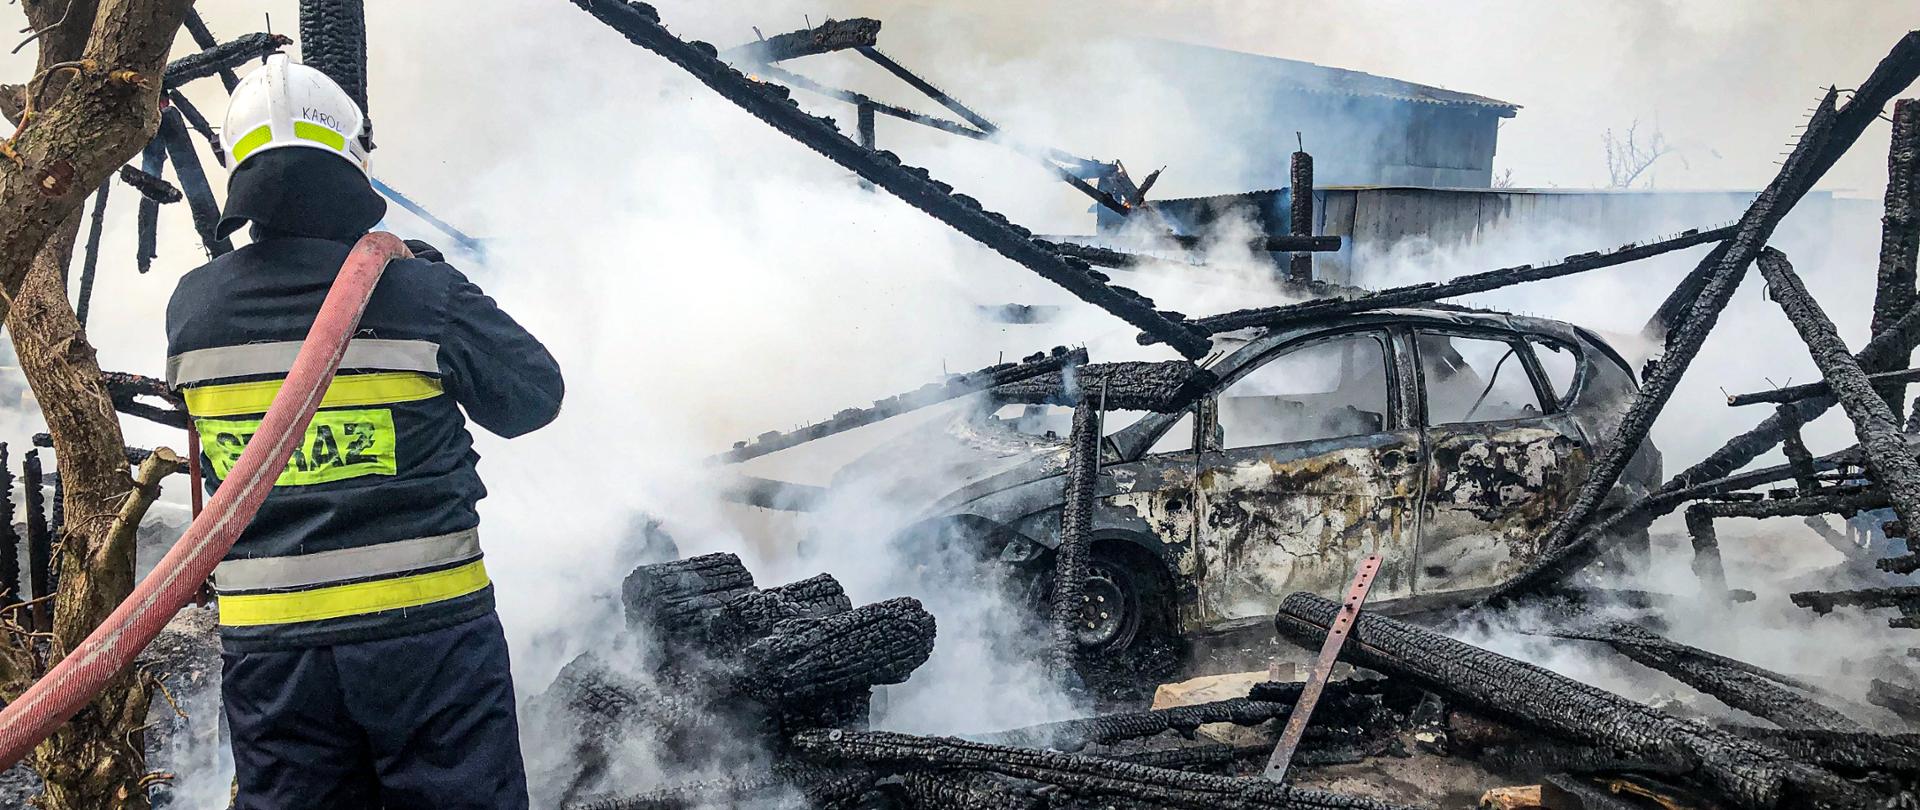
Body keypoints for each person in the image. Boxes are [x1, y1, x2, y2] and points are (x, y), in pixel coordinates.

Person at [165, 53, 562, 809]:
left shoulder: (193, 309)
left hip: (271, 653)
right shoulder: (418, 291)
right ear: (350, 159)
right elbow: (534, 399)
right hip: (427, 640)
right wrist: (445, 289)